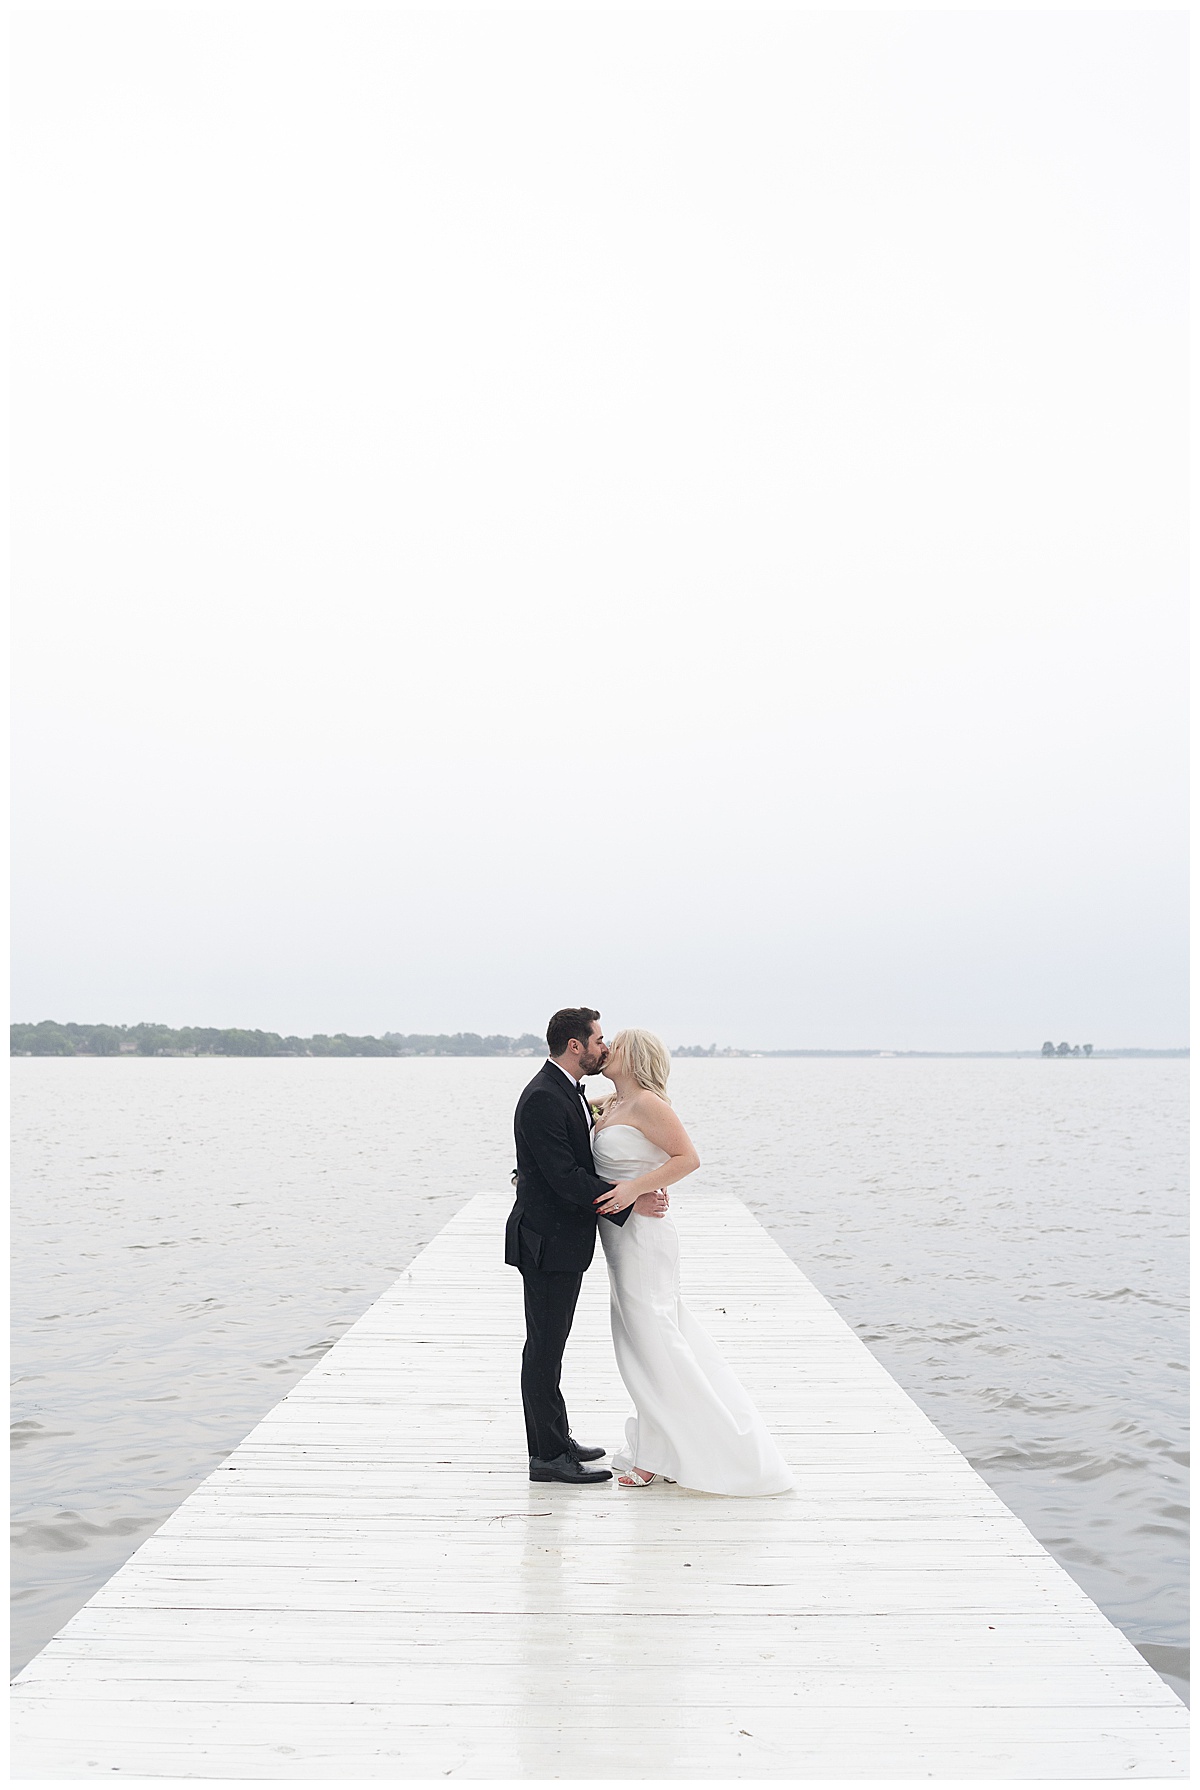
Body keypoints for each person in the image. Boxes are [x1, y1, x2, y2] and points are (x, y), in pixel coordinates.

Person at [592, 1028, 795, 1495]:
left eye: (614, 1046)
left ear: (633, 1057)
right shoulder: (610, 1104)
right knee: (640, 1343)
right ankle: (660, 1441)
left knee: (654, 1342)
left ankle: (667, 1452)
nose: (606, 1050)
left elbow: (688, 1159)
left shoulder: (648, 1104)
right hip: (617, 1238)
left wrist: (635, 1189)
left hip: (644, 1239)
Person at [506, 1008, 668, 1485]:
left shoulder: (565, 1092)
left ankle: (557, 1439)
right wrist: (630, 1202)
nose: (604, 1047)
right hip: (546, 1243)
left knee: (550, 1345)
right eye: (599, 1039)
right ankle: (548, 1458)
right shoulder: (542, 1096)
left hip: (558, 1240)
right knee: (544, 1349)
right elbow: (564, 1177)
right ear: (575, 1046)